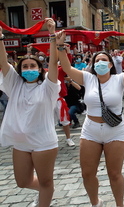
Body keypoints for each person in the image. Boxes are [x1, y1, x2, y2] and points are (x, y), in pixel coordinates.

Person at [58, 32, 124, 207]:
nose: (100, 63)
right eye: (96, 60)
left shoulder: (119, 79)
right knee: (87, 173)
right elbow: (67, 68)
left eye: (104, 60)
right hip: (91, 129)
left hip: (115, 130)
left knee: (114, 174)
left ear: (111, 64)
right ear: (93, 64)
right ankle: (95, 203)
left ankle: (119, 204)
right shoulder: (87, 78)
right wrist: (60, 47)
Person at [0, 19, 60, 207]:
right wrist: (0, 38)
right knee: (22, 181)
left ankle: (45, 195)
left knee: (45, 181)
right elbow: (3, 62)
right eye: (24, 67)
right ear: (19, 71)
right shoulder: (14, 84)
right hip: (21, 143)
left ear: (39, 69)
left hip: (43, 142)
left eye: (32, 66)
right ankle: (45, 192)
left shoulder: (48, 86)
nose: (28, 69)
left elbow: (53, 63)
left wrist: (52, 35)